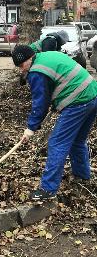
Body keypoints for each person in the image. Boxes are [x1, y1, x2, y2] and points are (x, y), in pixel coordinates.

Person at [12, 45, 97, 201]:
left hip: (77, 101)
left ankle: (48, 190)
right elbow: (57, 82)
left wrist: (30, 128)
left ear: (29, 59)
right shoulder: (46, 56)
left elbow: (40, 103)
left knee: (57, 143)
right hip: (92, 94)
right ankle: (83, 176)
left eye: (21, 65)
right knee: (77, 141)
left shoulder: (36, 72)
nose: (21, 69)